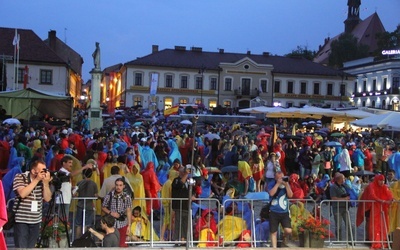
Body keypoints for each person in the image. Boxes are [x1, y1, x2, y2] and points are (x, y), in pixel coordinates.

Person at [12, 159, 52, 248]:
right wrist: (37, 180)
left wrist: (46, 184)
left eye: (45, 170)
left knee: (31, 248)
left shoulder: (43, 181)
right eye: (42, 171)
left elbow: (48, 198)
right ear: (34, 171)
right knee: (21, 247)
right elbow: (22, 194)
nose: (44, 173)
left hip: (36, 220)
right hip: (21, 220)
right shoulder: (20, 177)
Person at [356, 174, 393, 249]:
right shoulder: (371, 186)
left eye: (383, 180)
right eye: (380, 180)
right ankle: (369, 239)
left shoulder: (384, 187)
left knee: (380, 223)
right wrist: (383, 201)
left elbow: (389, 194)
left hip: (378, 207)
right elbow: (372, 195)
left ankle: (380, 239)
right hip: (368, 207)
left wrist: (390, 199)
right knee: (370, 223)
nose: (382, 182)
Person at [102, 177, 132, 247]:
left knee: (122, 245)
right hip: (111, 224)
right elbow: (103, 207)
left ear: (124, 186)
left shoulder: (127, 197)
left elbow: (129, 211)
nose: (118, 187)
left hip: (122, 223)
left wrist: (129, 225)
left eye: (120, 185)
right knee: (111, 245)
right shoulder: (109, 196)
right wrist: (111, 213)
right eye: (117, 185)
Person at [267, 167, 293, 248]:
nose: (281, 179)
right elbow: (271, 193)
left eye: (282, 177)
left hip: (284, 211)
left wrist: (287, 185)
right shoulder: (271, 183)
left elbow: (290, 195)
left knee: (288, 230)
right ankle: (274, 247)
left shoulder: (286, 184)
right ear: (275, 178)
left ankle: (283, 238)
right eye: (279, 178)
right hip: (274, 211)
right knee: (273, 232)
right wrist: (277, 184)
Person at [171, 165, 194, 244]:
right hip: (178, 206)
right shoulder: (176, 180)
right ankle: (177, 239)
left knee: (185, 224)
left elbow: (189, 190)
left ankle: (184, 239)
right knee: (178, 223)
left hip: (186, 206)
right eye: (184, 171)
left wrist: (192, 196)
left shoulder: (188, 181)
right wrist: (186, 174)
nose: (185, 172)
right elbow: (180, 184)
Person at [74, 168, 98, 239]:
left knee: (78, 224)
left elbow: (75, 193)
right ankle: (85, 239)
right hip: (89, 206)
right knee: (87, 224)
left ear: (83, 174)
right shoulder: (94, 184)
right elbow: (96, 195)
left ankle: (78, 240)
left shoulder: (79, 183)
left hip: (80, 205)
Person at [330, 173, 353, 243]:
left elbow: (350, 189)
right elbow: (333, 198)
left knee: (349, 225)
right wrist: (344, 199)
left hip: (345, 208)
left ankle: (350, 240)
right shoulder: (333, 187)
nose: (344, 179)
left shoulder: (343, 186)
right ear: (338, 179)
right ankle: (339, 240)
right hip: (337, 208)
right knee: (338, 226)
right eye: (343, 178)